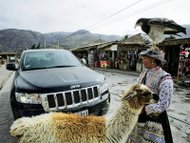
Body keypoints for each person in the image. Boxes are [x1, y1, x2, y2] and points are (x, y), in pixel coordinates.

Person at [127, 48, 173, 143]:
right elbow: (136, 88)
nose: (142, 60)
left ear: (153, 59)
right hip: (139, 114)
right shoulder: (145, 73)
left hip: (154, 119)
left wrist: (145, 109)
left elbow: (164, 103)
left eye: (145, 58)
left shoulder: (165, 78)